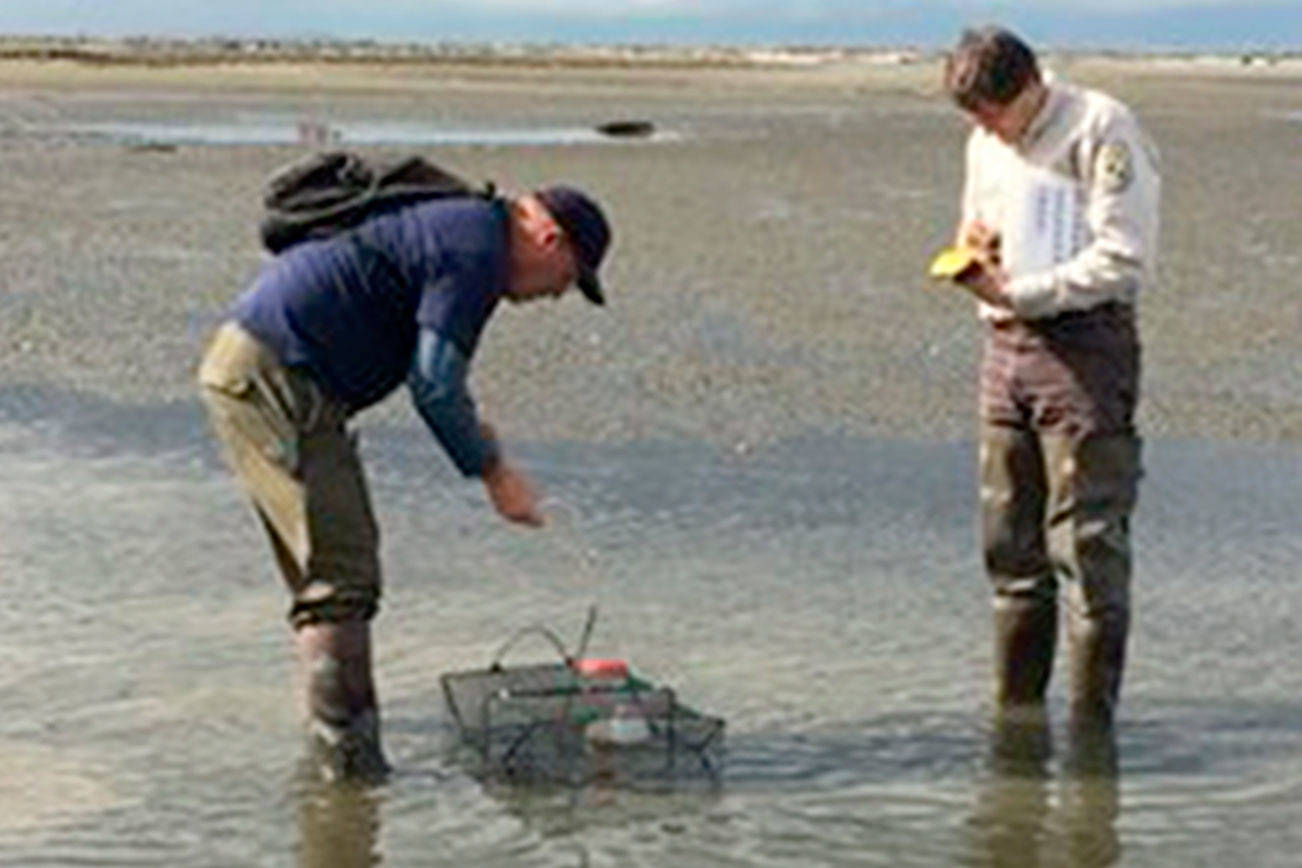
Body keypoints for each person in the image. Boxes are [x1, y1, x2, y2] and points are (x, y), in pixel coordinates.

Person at [198, 180, 612, 781]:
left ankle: (340, 751)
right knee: (340, 578)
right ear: (550, 239)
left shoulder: (467, 230)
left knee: (339, 565)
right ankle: (348, 771)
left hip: (280, 373)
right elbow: (435, 387)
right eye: (569, 279)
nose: (555, 296)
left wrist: (478, 435)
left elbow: (436, 372)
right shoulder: (476, 250)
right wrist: (494, 474)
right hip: (275, 375)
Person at [939, 26, 1160, 731]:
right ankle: (1018, 724)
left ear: (1031, 86)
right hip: (1004, 347)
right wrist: (975, 253)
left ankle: (1093, 737)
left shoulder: (1102, 126)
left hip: (1086, 347)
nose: (984, 128)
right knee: (1009, 544)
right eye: (971, 115)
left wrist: (1025, 291)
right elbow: (977, 222)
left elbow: (1124, 259)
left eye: (993, 112)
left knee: (1087, 547)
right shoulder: (983, 142)